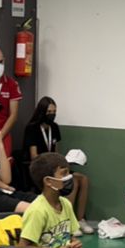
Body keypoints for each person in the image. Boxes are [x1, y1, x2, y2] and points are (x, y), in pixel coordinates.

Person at [18, 97, 82, 230]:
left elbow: (56, 151)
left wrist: (65, 162)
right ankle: (67, 221)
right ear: (42, 112)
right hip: (42, 167)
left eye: (54, 112)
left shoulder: (54, 127)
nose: (52, 115)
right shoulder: (32, 128)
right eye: (49, 112)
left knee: (83, 179)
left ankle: (80, 219)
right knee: (73, 180)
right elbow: (34, 156)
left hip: (55, 165)